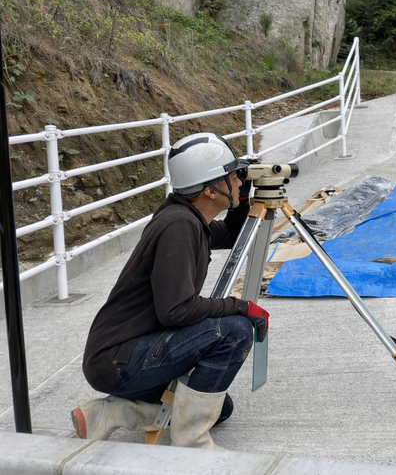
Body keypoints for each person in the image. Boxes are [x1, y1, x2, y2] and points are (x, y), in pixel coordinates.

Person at [72, 132, 271, 450]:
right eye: (233, 176)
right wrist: (241, 307)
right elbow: (175, 310)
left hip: (126, 354)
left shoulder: (189, 217)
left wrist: (243, 199)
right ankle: (191, 445)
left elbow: (235, 234)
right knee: (234, 330)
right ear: (209, 189)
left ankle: (107, 413)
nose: (239, 180)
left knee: (220, 408)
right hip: (118, 362)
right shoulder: (178, 227)